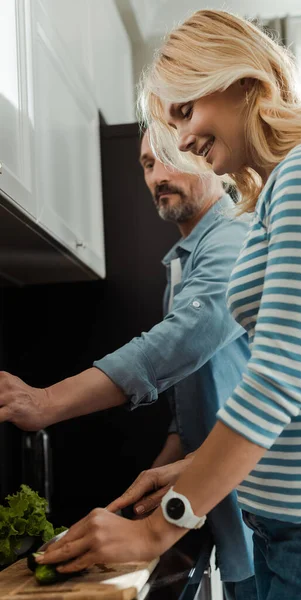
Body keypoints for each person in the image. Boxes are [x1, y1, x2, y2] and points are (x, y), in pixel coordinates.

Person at [11, 9, 301, 599]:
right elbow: (293, 382)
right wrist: (183, 473)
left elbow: (277, 382)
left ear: (242, 82)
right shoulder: (278, 192)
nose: (183, 139)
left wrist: (159, 529)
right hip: (293, 522)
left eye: (185, 111)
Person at [0, 130, 257, 599]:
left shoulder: (234, 236)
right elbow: (188, 417)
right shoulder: (182, 268)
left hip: (263, 512)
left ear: (204, 156)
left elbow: (183, 340)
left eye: (167, 158)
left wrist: (43, 402)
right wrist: (132, 509)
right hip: (216, 505)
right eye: (145, 165)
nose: (157, 175)